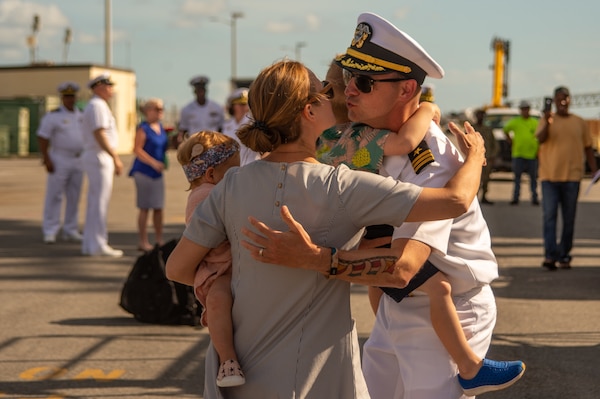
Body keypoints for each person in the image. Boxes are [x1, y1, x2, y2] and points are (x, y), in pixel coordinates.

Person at [241, 13, 525, 399]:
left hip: (448, 308)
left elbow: (405, 266)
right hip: (397, 302)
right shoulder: (367, 140)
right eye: (347, 80)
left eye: (364, 82)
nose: (349, 91)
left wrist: (315, 259)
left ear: (407, 89)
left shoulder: (432, 159)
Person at [166, 59, 487, 398]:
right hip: (314, 372)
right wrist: (476, 158)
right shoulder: (341, 186)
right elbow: (455, 201)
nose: (336, 96)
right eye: (325, 92)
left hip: (237, 368)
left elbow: (177, 268)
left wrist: (234, 281)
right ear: (309, 111)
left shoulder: (232, 184)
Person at [176, 130, 245, 388]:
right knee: (218, 300)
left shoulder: (213, 189)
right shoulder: (205, 195)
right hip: (217, 270)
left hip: (228, 264)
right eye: (234, 172)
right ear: (211, 174)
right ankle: (227, 360)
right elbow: (207, 234)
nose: (238, 177)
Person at [536, 86, 598, 270]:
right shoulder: (547, 120)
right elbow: (540, 139)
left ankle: (564, 255)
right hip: (549, 177)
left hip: (572, 177)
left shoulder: (579, 122)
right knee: (549, 217)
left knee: (569, 219)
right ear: (554, 101)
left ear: (570, 100)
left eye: (566, 98)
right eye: (559, 98)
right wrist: (547, 121)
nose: (562, 101)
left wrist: (594, 169)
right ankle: (550, 255)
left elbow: (588, 147)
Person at [81, 72, 124, 257]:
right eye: (108, 86)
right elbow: (100, 133)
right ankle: (98, 244)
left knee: (95, 202)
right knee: (99, 202)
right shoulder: (98, 105)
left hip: (95, 155)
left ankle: (90, 244)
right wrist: (115, 156)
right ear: (98, 87)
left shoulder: (95, 105)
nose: (111, 89)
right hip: (100, 156)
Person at [36, 81, 84, 244]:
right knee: (54, 195)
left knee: (74, 196)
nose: (70, 99)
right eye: (67, 96)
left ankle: (70, 228)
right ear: (62, 98)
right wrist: (46, 159)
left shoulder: (81, 114)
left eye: (72, 96)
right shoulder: (53, 116)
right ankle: (50, 229)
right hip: (59, 157)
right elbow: (43, 137)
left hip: (78, 158)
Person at [128, 98, 169, 252]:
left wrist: (163, 161)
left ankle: (159, 239)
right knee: (145, 206)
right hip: (144, 171)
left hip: (157, 172)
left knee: (158, 206)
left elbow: (163, 148)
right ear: (147, 110)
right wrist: (153, 162)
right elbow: (137, 149)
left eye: (161, 109)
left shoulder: (160, 128)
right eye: (156, 109)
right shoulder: (143, 128)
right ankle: (143, 241)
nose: (160, 112)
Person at [503, 100, 540, 205]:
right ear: (521, 110)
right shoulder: (516, 121)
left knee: (533, 178)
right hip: (518, 154)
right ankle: (516, 197)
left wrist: (538, 149)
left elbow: (540, 136)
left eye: (526, 109)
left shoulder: (534, 122)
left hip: (531, 154)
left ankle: (534, 197)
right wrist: (511, 141)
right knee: (517, 178)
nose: (525, 111)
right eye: (523, 109)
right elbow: (505, 130)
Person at [177, 76, 225, 145]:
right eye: (198, 90)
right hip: (195, 145)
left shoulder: (216, 108)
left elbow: (221, 128)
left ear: (206, 90)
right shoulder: (187, 109)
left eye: (202, 90)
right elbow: (183, 130)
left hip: (213, 145)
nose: (201, 93)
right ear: (194, 92)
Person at [222, 87, 261, 165]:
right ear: (233, 106)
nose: (244, 107)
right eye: (241, 104)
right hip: (232, 167)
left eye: (246, 104)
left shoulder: (254, 124)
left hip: (251, 166)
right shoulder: (226, 125)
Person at [473, 108, 499, 204]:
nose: (481, 117)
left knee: (486, 178)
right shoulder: (472, 129)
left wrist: (493, 155)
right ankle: (474, 198)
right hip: (475, 158)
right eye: (479, 115)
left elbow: (494, 144)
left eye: (482, 115)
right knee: (475, 179)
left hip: (487, 158)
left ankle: (484, 196)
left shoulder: (488, 129)